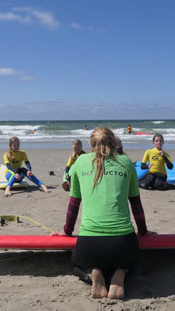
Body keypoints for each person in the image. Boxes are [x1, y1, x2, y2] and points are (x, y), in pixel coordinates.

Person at [56, 127, 153, 299]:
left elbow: (73, 206)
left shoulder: (80, 162)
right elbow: (136, 206)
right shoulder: (126, 162)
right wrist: (143, 232)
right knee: (132, 262)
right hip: (124, 243)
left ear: (91, 144)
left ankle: (92, 272)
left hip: (89, 245)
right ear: (114, 142)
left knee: (77, 265)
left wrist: (67, 232)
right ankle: (121, 273)